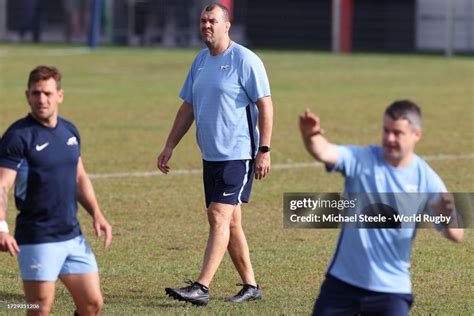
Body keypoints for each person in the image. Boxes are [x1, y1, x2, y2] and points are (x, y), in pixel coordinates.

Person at [299, 100, 464, 315]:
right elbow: (325, 151)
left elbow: (457, 234)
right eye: (386, 131)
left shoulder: (426, 179)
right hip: (342, 283)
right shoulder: (363, 159)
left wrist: (447, 215)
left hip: (391, 291)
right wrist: (311, 136)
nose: (389, 138)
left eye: (397, 133)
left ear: (416, 135)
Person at [157, 3, 273, 306]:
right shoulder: (199, 62)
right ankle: (251, 286)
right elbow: (188, 107)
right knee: (231, 222)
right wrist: (170, 145)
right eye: (203, 21)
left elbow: (266, 105)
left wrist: (264, 150)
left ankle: (201, 287)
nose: (207, 25)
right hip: (210, 155)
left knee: (218, 216)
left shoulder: (245, 60)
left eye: (213, 21)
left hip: (238, 154)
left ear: (227, 25)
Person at [0, 66, 112, 315]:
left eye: (47, 93)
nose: (42, 99)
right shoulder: (18, 137)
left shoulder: (69, 132)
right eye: (36, 93)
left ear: (59, 95)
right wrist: (1, 228)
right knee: (38, 306)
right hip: (37, 236)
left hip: (72, 235)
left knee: (92, 304)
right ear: (27, 95)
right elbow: (2, 185)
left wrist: (97, 213)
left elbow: (79, 176)